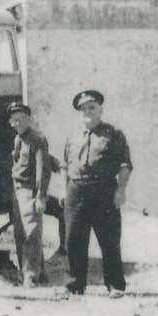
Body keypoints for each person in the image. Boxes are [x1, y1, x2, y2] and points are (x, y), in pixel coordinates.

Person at [60, 90, 132, 297]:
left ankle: (115, 285)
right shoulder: (72, 135)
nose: (87, 112)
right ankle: (75, 285)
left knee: (109, 240)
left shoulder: (114, 134)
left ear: (101, 109)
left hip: (103, 191)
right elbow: (65, 164)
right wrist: (63, 189)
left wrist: (121, 190)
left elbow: (125, 164)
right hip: (76, 191)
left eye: (92, 107)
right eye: (83, 108)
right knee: (73, 239)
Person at [7, 102, 51, 288]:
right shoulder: (18, 139)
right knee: (21, 233)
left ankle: (31, 277)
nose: (18, 123)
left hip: (30, 191)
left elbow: (43, 169)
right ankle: (35, 273)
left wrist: (40, 195)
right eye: (15, 120)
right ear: (11, 123)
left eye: (22, 119)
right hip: (17, 190)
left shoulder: (37, 139)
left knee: (31, 234)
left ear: (29, 119)